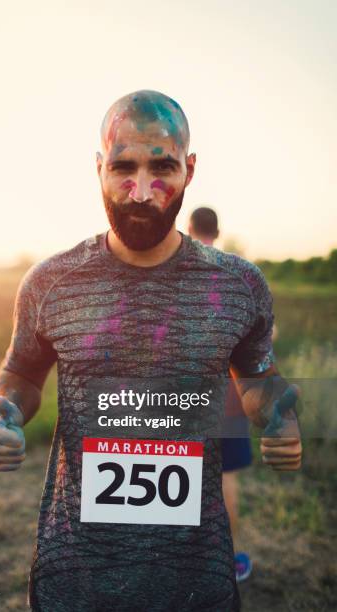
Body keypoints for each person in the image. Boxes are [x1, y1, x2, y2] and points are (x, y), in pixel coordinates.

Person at [0, 90, 302, 612]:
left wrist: (277, 414)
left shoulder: (239, 286)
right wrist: (8, 412)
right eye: (123, 167)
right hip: (75, 578)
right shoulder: (51, 283)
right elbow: (20, 371)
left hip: (197, 580)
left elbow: (258, 378)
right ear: (98, 169)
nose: (141, 190)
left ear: (190, 170)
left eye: (163, 167)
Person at [189, 206, 253, 582]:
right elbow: (264, 335)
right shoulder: (239, 273)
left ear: (189, 228)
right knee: (226, 474)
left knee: (180, 468)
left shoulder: (176, 270)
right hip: (228, 390)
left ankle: (184, 558)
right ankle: (227, 558)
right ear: (218, 230)